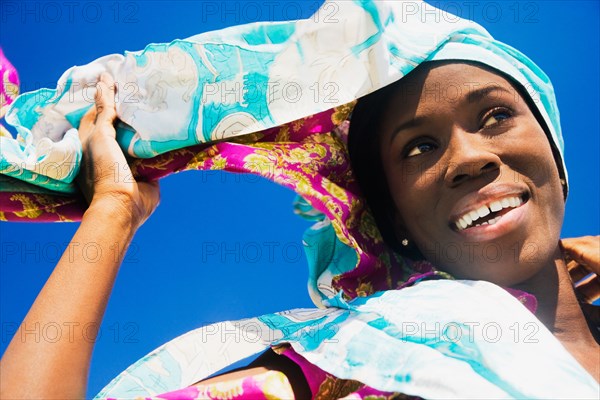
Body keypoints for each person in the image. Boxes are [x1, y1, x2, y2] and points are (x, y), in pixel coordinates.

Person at [1, 2, 599, 399]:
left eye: (495, 115)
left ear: (557, 156)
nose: (469, 158)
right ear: (393, 223)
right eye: (417, 148)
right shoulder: (350, 366)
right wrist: (112, 208)